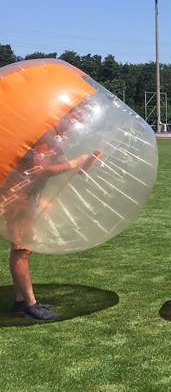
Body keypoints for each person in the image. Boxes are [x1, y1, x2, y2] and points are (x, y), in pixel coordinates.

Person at [2, 130, 98, 320]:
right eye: (73, 114)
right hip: (17, 196)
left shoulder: (52, 140)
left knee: (24, 249)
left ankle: (21, 301)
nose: (74, 121)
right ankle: (30, 304)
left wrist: (89, 159)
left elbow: (73, 170)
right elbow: (40, 170)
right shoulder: (39, 134)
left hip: (28, 196)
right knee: (21, 249)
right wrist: (74, 163)